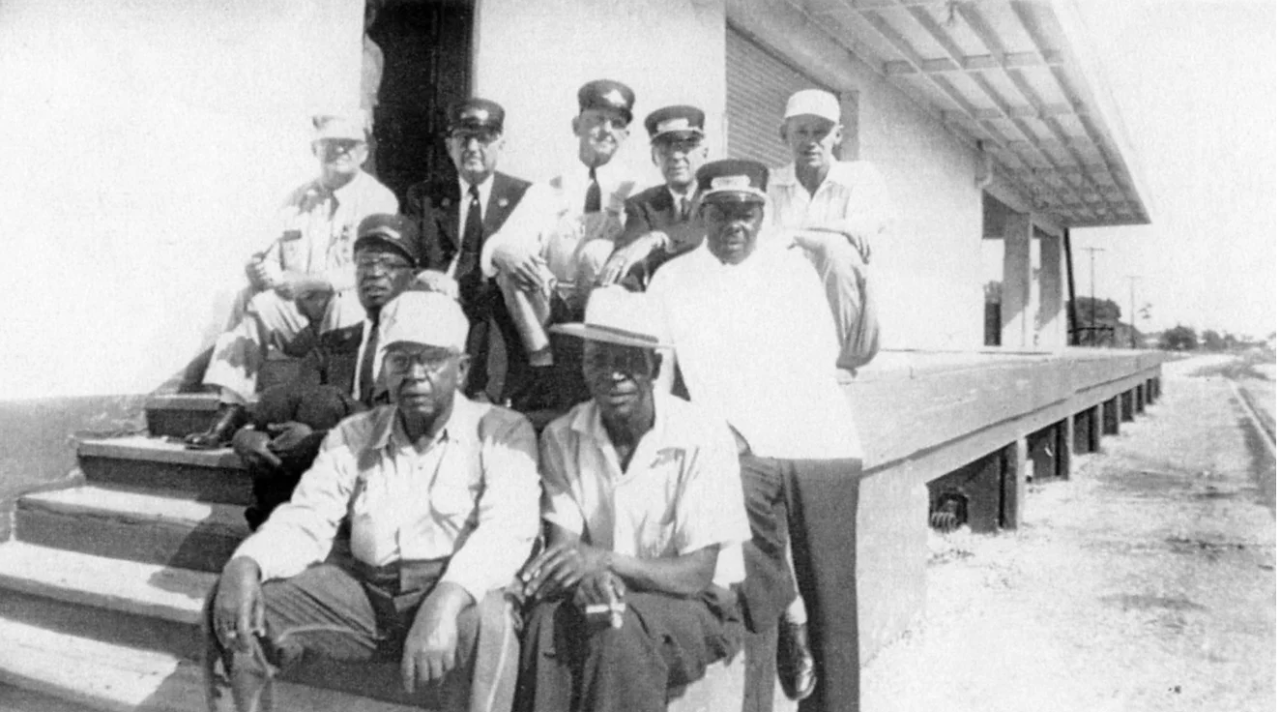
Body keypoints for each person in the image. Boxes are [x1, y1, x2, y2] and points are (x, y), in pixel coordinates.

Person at [205, 291, 541, 712]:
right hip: (366, 597)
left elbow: (506, 532)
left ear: (462, 369)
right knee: (238, 603)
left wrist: (445, 599)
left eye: (432, 359)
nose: (414, 374)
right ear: (384, 368)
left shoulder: (501, 430)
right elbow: (308, 518)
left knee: (490, 621)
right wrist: (246, 563)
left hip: (454, 592)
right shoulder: (353, 433)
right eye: (399, 360)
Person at [647, 159, 864, 707]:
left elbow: (816, 364)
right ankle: (786, 626)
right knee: (752, 584)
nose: (735, 225)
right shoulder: (673, 279)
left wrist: (744, 428)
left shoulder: (791, 273)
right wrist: (716, 434)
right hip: (734, 451)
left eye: (747, 212)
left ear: (762, 215)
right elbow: (662, 379)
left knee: (833, 596)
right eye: (722, 213)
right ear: (702, 214)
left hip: (817, 443)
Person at [514, 286, 752, 712]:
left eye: (626, 361)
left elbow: (697, 573)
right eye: (598, 360)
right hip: (607, 588)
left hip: (698, 605)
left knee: (617, 630)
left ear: (654, 366)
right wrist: (588, 577)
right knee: (544, 624)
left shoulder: (702, 436)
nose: (612, 375)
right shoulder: (562, 436)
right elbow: (564, 550)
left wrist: (604, 563)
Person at [186, 113, 398, 449]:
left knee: (349, 299)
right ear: (316, 149)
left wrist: (314, 282)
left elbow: (373, 269)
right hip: (300, 319)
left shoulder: (379, 200)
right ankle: (230, 408)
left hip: (351, 323)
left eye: (349, 145)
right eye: (330, 144)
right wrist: (259, 272)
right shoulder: (296, 199)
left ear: (364, 153)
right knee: (254, 302)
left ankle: (329, 412)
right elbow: (270, 254)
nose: (340, 151)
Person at [230, 213, 420, 530]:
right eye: (363, 265)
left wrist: (318, 441)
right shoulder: (334, 344)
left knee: (326, 403)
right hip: (327, 479)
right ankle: (280, 528)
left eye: (387, 264)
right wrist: (246, 436)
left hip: (390, 482)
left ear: (412, 278)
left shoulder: (423, 346)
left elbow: (410, 424)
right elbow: (290, 407)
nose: (373, 274)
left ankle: (284, 529)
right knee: (282, 400)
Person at [479, 79, 641, 411]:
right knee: (513, 259)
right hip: (550, 310)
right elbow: (509, 244)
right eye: (597, 120)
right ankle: (542, 367)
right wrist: (500, 247)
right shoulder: (547, 190)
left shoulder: (637, 190)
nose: (606, 130)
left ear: (626, 135)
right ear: (576, 125)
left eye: (617, 124)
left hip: (607, 312)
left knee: (598, 253)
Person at [405, 98, 533, 403]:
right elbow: (405, 259)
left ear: (501, 143)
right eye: (464, 139)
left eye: (484, 139)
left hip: (493, 307)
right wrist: (426, 275)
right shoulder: (424, 196)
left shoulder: (523, 196)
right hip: (438, 303)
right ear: (449, 145)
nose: (473, 148)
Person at [769, 88, 893, 372]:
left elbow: (862, 236)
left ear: (838, 135)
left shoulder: (861, 176)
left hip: (852, 339)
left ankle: (824, 365)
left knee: (836, 250)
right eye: (801, 131)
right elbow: (762, 243)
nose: (811, 142)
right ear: (784, 134)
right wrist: (839, 227)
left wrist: (795, 235)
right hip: (788, 328)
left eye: (821, 132)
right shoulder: (771, 184)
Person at [600, 105, 711, 289]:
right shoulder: (643, 204)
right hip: (662, 302)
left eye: (685, 148)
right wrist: (623, 293)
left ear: (704, 153)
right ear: (654, 158)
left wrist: (658, 238)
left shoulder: (717, 198)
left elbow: (703, 240)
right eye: (665, 150)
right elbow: (628, 254)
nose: (675, 157)